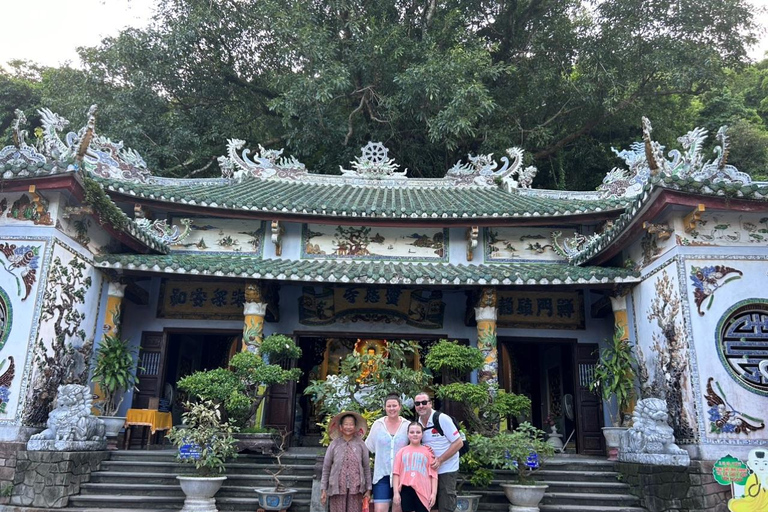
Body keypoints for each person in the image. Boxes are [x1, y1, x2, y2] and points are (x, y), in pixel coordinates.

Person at [414, 391, 463, 512]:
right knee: (430, 504)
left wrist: (440, 460)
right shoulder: (418, 423)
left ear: (430, 404)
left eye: (424, 402)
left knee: (446, 504)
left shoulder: (442, 419)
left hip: (446, 468)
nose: (421, 406)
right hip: (428, 471)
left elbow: (458, 443)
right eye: (417, 403)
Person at [365, 394, 410, 512]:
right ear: (385, 408)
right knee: (379, 509)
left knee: (398, 508)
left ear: (400, 407)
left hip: (402, 475)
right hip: (382, 474)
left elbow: (414, 447)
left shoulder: (407, 426)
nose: (392, 408)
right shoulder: (378, 425)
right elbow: (369, 448)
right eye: (389, 406)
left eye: (394, 405)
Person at [321, 411, 372, 512]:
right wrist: (323, 489)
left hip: (356, 488)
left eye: (351, 424)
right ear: (340, 427)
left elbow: (366, 467)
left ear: (355, 427)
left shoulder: (361, 444)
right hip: (337, 487)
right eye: (346, 424)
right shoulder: (334, 444)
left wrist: (368, 489)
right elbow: (326, 468)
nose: (348, 427)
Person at [392, 422, 438, 512]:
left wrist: (434, 493)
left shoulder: (428, 452)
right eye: (412, 432)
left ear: (422, 434)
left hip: (424, 491)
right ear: (408, 434)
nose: (415, 435)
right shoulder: (401, 452)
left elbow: (434, 475)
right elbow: (396, 473)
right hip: (406, 489)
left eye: (418, 432)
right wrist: (396, 493)